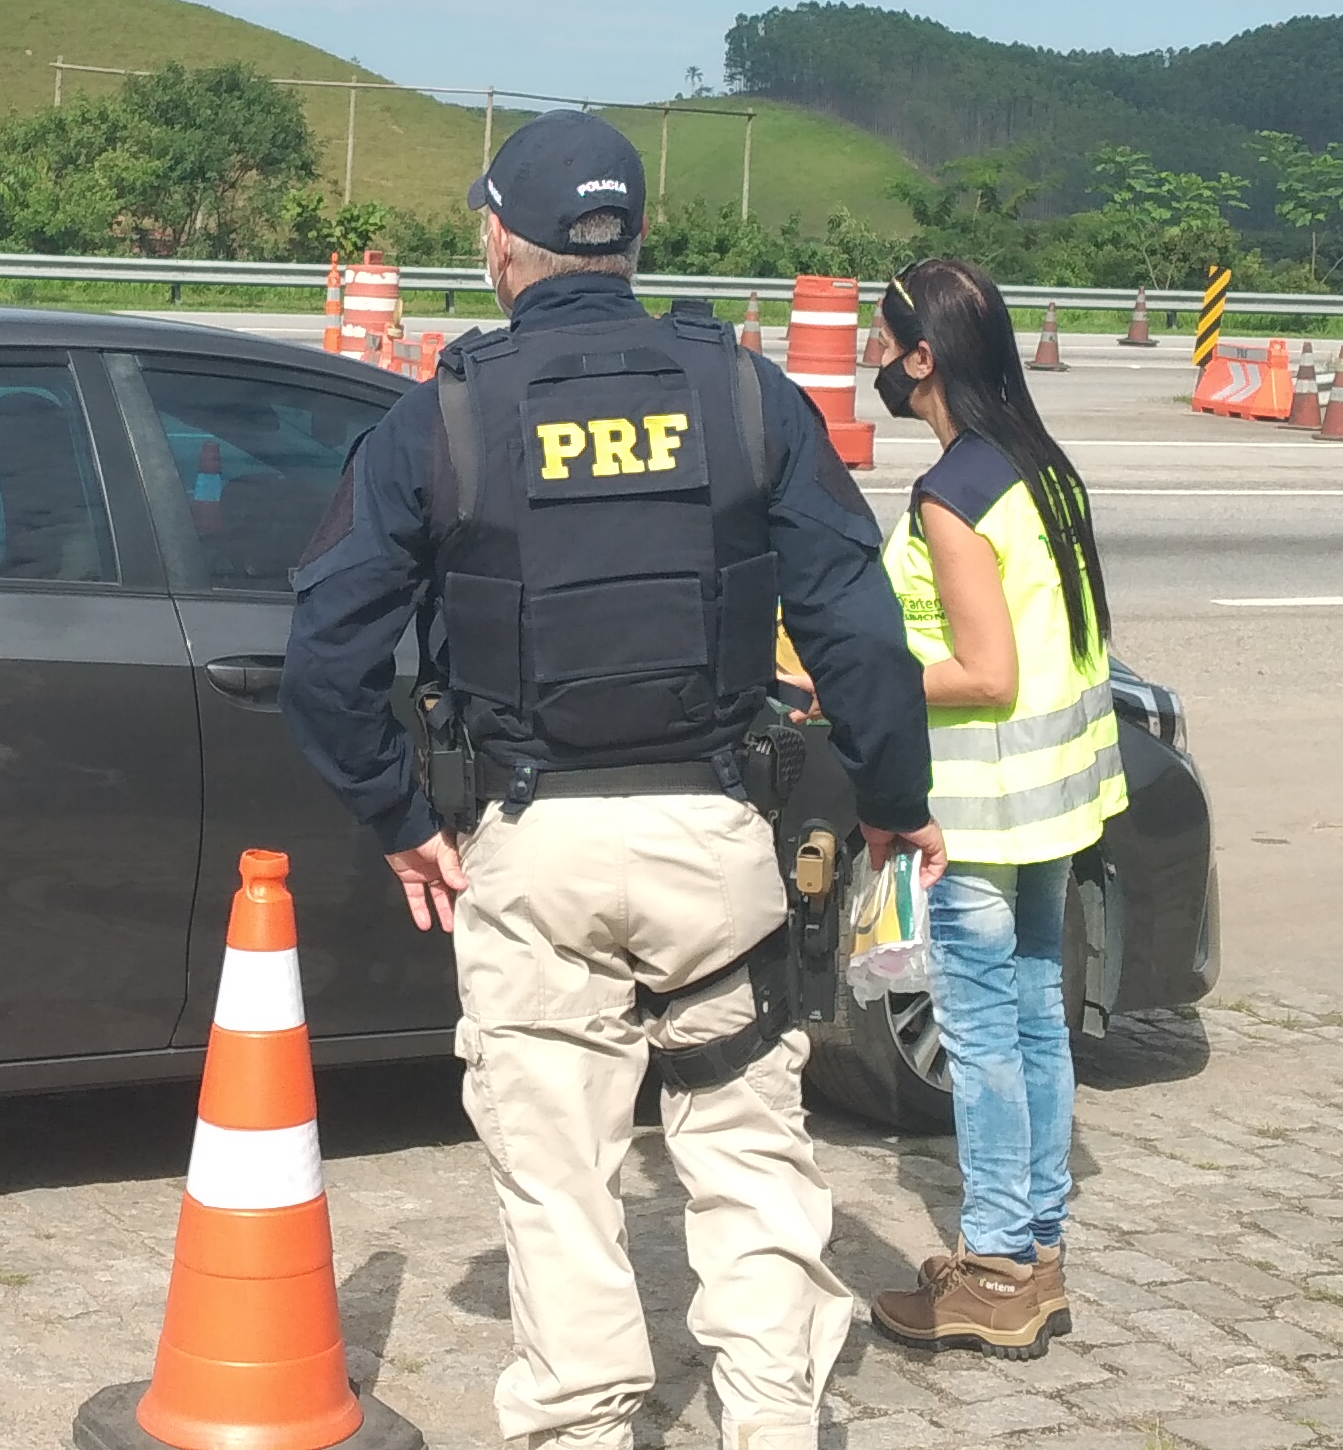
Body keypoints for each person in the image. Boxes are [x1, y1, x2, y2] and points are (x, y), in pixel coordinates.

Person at [284, 110, 936, 1450]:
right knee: (749, 1157)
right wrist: (893, 798)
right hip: (715, 841)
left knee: (559, 1179)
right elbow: (860, 634)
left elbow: (322, 657)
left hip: (533, 849)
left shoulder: (446, 413)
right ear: (632, 241)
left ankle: (583, 1426)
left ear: (497, 244)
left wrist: (401, 822)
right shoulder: (750, 397)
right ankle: (769, 1422)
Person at [856, 256, 1128, 1361]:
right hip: (1047, 811)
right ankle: (1037, 1250)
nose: (872, 357)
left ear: (923, 360)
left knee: (980, 1038)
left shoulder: (952, 492)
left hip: (974, 814)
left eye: (884, 341)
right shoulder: (1036, 466)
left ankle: (998, 1270)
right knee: (1029, 1023)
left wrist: (855, 677)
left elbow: (982, 672)